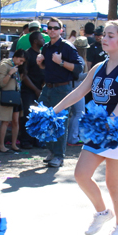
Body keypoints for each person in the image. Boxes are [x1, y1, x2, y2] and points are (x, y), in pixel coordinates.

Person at [51, 20, 118, 235]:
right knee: (81, 174)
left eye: (111, 36)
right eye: (104, 35)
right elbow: (79, 92)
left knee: (113, 183)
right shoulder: (98, 67)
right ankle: (103, 212)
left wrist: (111, 122)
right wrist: (54, 111)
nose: (105, 39)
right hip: (98, 129)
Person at [37, 17, 81, 168]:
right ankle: (51, 151)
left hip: (62, 89)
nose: (52, 30)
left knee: (60, 122)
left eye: (56, 28)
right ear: (47, 30)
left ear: (61, 30)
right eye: (50, 28)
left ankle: (58, 156)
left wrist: (61, 62)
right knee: (44, 120)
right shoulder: (46, 47)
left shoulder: (67, 47)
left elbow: (78, 68)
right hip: (48, 88)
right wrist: (41, 63)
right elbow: (46, 70)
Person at [18, 31, 45, 149]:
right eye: (41, 38)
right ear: (35, 41)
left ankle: (37, 140)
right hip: (29, 91)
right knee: (27, 115)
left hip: (41, 90)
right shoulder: (27, 55)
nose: (43, 40)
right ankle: (25, 140)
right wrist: (35, 89)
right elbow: (24, 75)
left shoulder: (41, 55)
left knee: (39, 115)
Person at [0, 50, 26, 152]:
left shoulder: (18, 67)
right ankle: (1, 145)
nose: (21, 63)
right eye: (20, 60)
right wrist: (10, 73)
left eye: (23, 62)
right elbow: (1, 83)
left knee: (15, 121)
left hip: (16, 96)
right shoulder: (5, 65)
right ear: (15, 57)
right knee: (5, 121)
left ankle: (13, 144)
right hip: (6, 96)